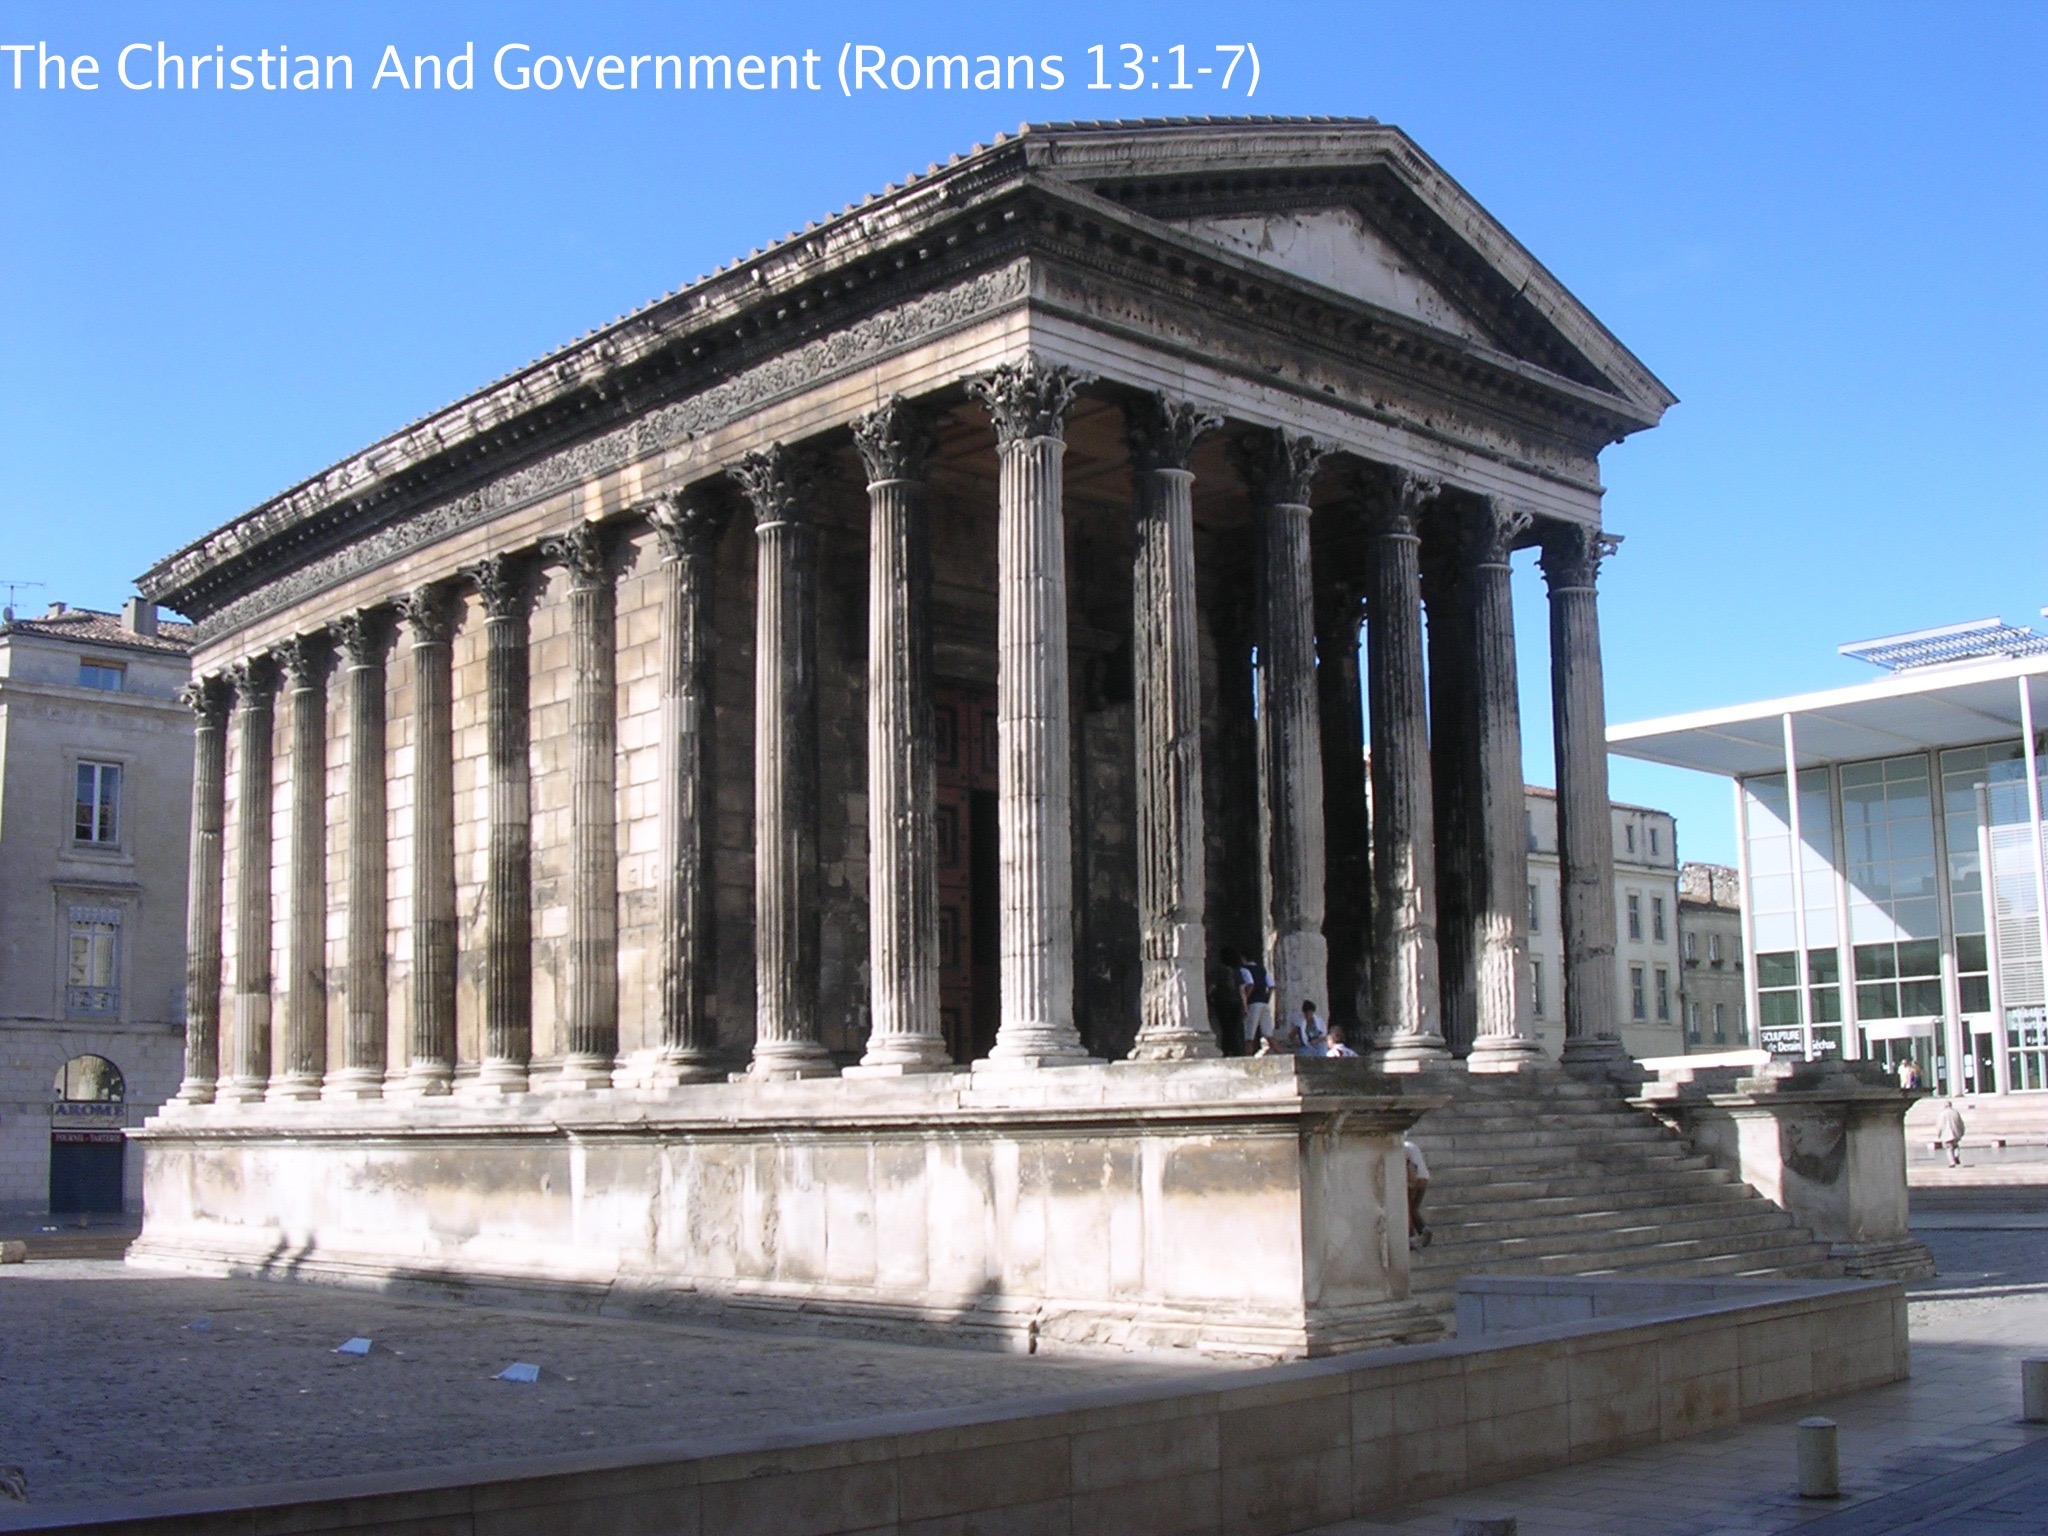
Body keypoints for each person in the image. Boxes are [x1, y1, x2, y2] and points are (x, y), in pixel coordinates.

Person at [1239, 955, 1274, 1054]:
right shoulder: (1263, 970)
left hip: (1253, 1004)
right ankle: (1282, 1053)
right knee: (1269, 1035)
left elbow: (1250, 983)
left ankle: (1247, 1057)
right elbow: (1271, 986)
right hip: (1263, 1002)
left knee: (1249, 1036)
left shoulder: (1244, 970)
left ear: (1243, 958)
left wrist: (1246, 999)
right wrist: (1266, 998)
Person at [1404, 1138, 1431, 1250]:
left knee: (1408, 1209)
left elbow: (1409, 1165)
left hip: (1414, 1181)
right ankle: (1424, 1230)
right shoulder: (1412, 1145)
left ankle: (1411, 1239)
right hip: (1424, 1178)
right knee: (1414, 1208)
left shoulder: (1403, 1148)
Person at [1935, 1099, 1966, 1167]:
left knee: (1949, 1148)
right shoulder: (1955, 1112)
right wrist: (1962, 1131)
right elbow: (1960, 1123)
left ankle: (1952, 1162)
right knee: (1956, 1146)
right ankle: (1956, 1155)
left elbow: (1939, 1125)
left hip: (1946, 1133)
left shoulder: (1942, 1114)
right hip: (1956, 1132)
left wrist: (1939, 1133)